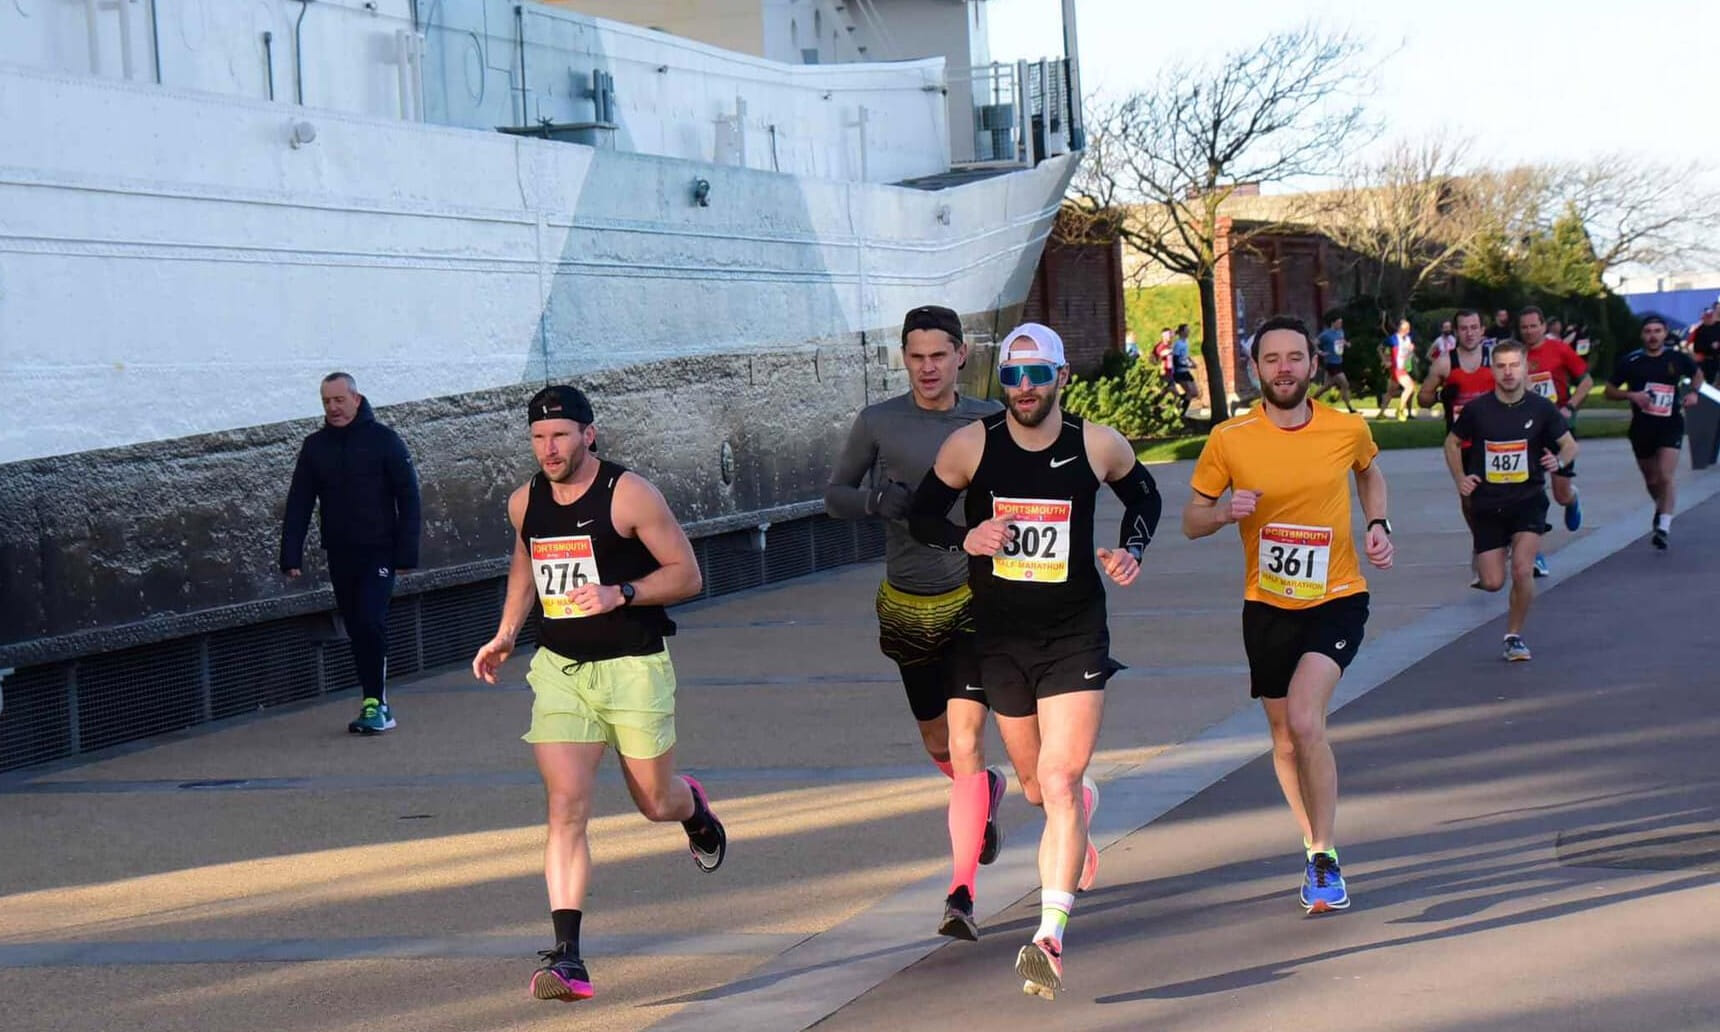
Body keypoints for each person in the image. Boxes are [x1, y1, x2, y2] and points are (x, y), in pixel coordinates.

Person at [910, 322, 1161, 998]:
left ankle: (1049, 936)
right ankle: (1079, 805)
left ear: (1060, 376)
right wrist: (969, 536)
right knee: (1032, 785)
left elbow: (1145, 495)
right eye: (1013, 377)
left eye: (1037, 375)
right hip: (1000, 640)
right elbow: (922, 514)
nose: (1024, 388)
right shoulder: (972, 445)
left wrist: (1129, 548)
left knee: (1055, 778)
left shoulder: (1095, 444)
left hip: (1074, 633)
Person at [471, 385, 727, 1004]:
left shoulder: (628, 494)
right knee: (566, 806)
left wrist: (624, 593)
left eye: (559, 435)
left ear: (589, 433)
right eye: (537, 438)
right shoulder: (524, 502)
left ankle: (690, 808)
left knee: (653, 801)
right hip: (560, 670)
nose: (548, 449)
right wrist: (506, 634)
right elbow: (526, 566)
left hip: (633, 666)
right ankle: (568, 957)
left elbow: (689, 575)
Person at [1182, 315, 1394, 916]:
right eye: (1271, 359)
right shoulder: (1230, 438)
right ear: (1256, 369)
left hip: (1338, 596)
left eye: (1294, 358)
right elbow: (1191, 521)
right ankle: (1311, 844)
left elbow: (1370, 471)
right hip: (1267, 605)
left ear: (1312, 365)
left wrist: (1377, 525)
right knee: (1282, 738)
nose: (1283, 369)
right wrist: (1223, 512)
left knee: (1305, 720)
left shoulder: (1346, 427)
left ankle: (1326, 856)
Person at [823, 304, 1008, 940]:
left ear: (962, 355)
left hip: (972, 601)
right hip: (906, 602)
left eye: (939, 355)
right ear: (904, 359)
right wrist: (876, 499)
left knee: (964, 743)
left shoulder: (989, 418)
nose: (928, 368)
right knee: (940, 748)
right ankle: (982, 795)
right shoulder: (879, 422)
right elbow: (834, 495)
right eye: (916, 356)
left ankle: (961, 894)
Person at [280, 372, 422, 735]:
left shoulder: (384, 441)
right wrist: (290, 554)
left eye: (339, 400)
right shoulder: (315, 447)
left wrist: (406, 555)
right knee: (357, 626)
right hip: (340, 553)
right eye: (326, 401)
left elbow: (408, 497)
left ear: (356, 399)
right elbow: (299, 501)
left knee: (372, 620)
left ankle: (379, 704)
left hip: (380, 552)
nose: (333, 408)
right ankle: (370, 699)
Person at [1445, 340, 1579, 661]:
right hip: (1489, 504)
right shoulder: (1478, 410)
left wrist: (1558, 463)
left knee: (1522, 570)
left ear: (1524, 368)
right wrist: (1461, 478)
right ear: (1492, 370)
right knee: (1492, 583)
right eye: (1501, 366)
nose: (1508, 372)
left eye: (1513, 365)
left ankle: (1513, 636)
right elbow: (1451, 443)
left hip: (1529, 500)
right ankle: (1494, 555)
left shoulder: (1541, 408)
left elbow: (1570, 445)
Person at [1605, 314, 1705, 550]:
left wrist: (1693, 392)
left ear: (1665, 333)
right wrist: (1632, 395)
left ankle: (1664, 526)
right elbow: (1609, 390)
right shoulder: (1631, 361)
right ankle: (1661, 508)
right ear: (1642, 335)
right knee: (1651, 479)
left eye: (1657, 331)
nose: (1653, 336)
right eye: (1648, 331)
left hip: (1670, 423)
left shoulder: (1676, 358)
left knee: (1665, 475)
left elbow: (1697, 375)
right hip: (1642, 427)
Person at [1418, 310, 1495, 588]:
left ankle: (1517, 548)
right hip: (1461, 442)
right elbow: (1422, 398)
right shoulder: (1444, 363)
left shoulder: (1495, 359)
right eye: (1464, 328)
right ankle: (1481, 545)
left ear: (1482, 330)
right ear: (1456, 332)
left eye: (1474, 327)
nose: (1470, 333)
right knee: (1469, 501)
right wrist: (1440, 395)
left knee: (1507, 495)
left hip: (1495, 441)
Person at [1520, 306, 1593, 570]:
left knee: (1560, 494)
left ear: (1543, 326)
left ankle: (1572, 499)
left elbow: (1586, 381)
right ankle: (1534, 553)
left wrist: (1570, 406)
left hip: (1559, 426)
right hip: (1530, 430)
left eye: (1533, 326)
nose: (1529, 331)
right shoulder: (1517, 355)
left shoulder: (1560, 349)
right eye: (1524, 327)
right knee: (1531, 491)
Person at [1315, 311, 1358, 413]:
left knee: (1327, 386)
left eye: (1341, 323)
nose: (1340, 324)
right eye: (1339, 323)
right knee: (1345, 384)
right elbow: (1314, 343)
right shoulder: (1326, 334)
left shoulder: (1340, 332)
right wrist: (1320, 352)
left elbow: (1342, 341)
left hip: (1339, 361)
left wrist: (1347, 344)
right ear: (1333, 323)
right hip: (1331, 363)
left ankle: (1311, 400)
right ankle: (1350, 408)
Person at [1380, 318, 1420, 421]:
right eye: (1407, 329)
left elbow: (1407, 353)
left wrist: (1412, 352)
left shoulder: (1408, 339)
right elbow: (1380, 348)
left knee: (1391, 392)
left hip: (1403, 368)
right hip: (1396, 368)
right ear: (1402, 329)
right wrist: (1385, 360)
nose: (1409, 331)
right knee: (1410, 387)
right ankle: (1400, 410)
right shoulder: (1393, 339)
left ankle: (1381, 413)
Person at [1171, 324, 1200, 413]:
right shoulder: (1178, 344)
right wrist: (1188, 366)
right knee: (1189, 392)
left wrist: (1192, 362)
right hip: (1179, 372)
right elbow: (1175, 360)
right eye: (1187, 330)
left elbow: (1186, 355)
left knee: (1195, 393)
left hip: (1186, 371)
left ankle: (1178, 399)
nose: (1189, 332)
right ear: (1182, 332)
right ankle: (1182, 413)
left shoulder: (1186, 342)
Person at [1691, 307, 1720, 384]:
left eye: (1710, 316)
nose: (1709, 318)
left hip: (1716, 360)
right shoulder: (1700, 329)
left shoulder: (1718, 326)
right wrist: (1710, 346)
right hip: (1704, 361)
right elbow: (1697, 348)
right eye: (1707, 316)